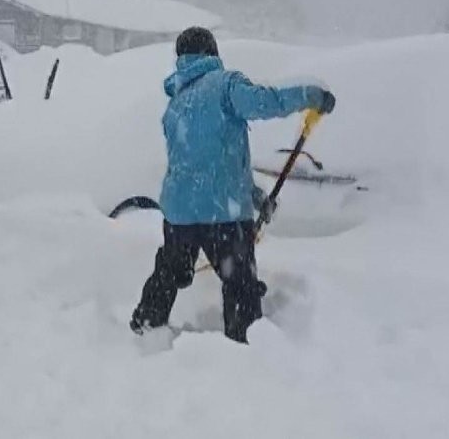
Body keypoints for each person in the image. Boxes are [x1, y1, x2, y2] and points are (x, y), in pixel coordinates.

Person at [129, 26, 336, 343]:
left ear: (182, 58)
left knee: (169, 272)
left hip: (180, 214)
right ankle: (244, 344)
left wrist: (253, 195)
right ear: (212, 52)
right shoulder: (226, 84)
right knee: (239, 282)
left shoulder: (176, 104)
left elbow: (203, 163)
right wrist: (311, 96)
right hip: (221, 214)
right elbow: (266, 102)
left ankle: (146, 323)